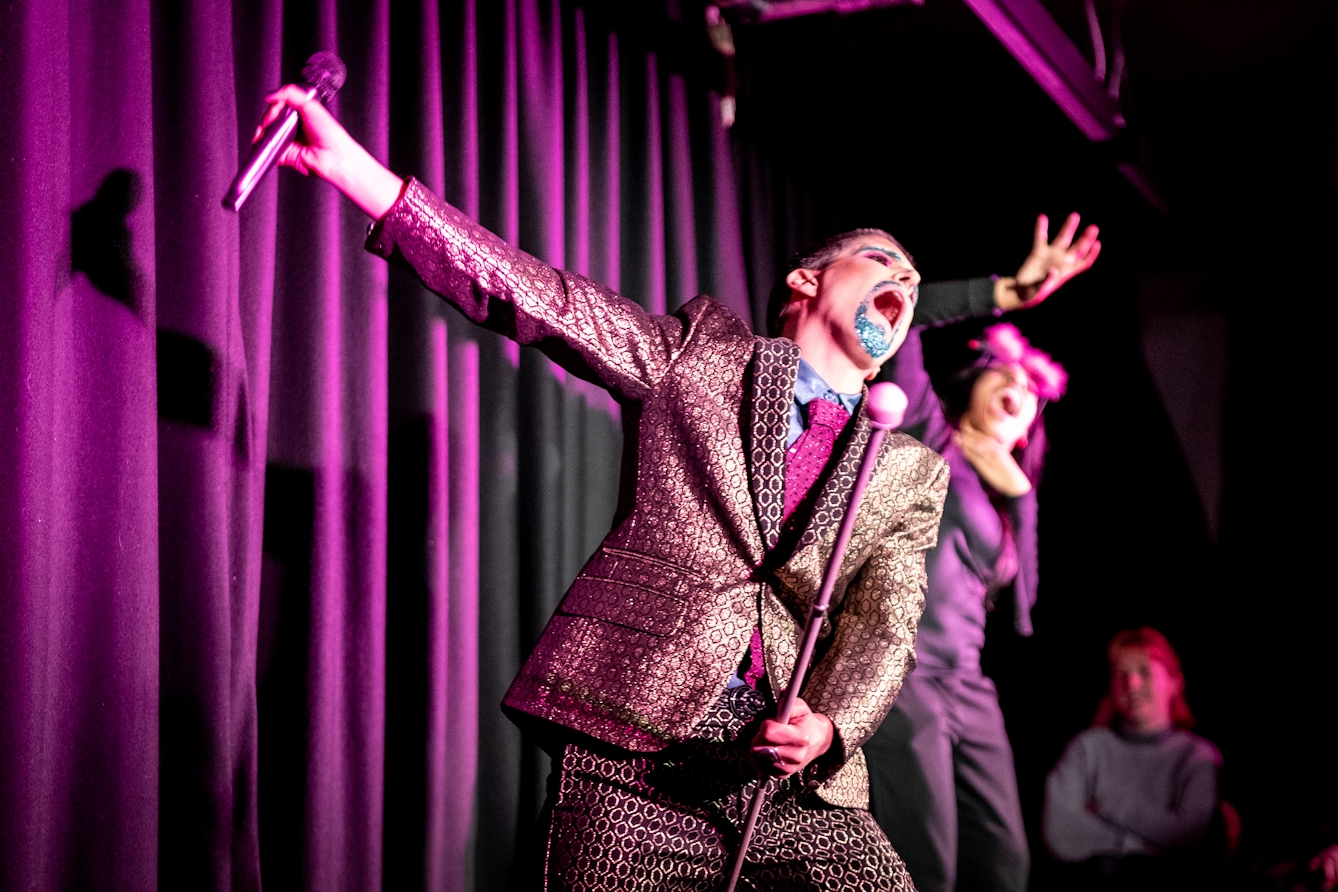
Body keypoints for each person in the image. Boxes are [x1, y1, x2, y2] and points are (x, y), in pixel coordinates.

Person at [256, 85, 950, 891]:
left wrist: (829, 726)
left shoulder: (905, 468)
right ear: (805, 281)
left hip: (790, 781)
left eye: (913, 278)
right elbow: (539, 300)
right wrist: (366, 178)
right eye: (883, 260)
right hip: (637, 750)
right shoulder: (699, 355)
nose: (904, 278)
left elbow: (884, 623)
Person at [859, 214, 1099, 892]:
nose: (1017, 390)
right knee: (926, 865)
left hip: (971, 685)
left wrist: (1022, 500)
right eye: (1005, 375)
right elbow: (908, 315)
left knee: (1007, 867)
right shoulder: (929, 432)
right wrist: (1003, 295)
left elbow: (1021, 612)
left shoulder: (1011, 496)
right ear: (976, 384)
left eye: (1031, 392)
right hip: (904, 673)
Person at [1042, 627, 1222, 891]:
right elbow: (1059, 833)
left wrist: (1106, 807)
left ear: (1174, 683)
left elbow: (1188, 834)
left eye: (1144, 672)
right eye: (1121, 674)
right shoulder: (1087, 748)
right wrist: (1139, 845)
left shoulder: (1197, 756)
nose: (1132, 683)